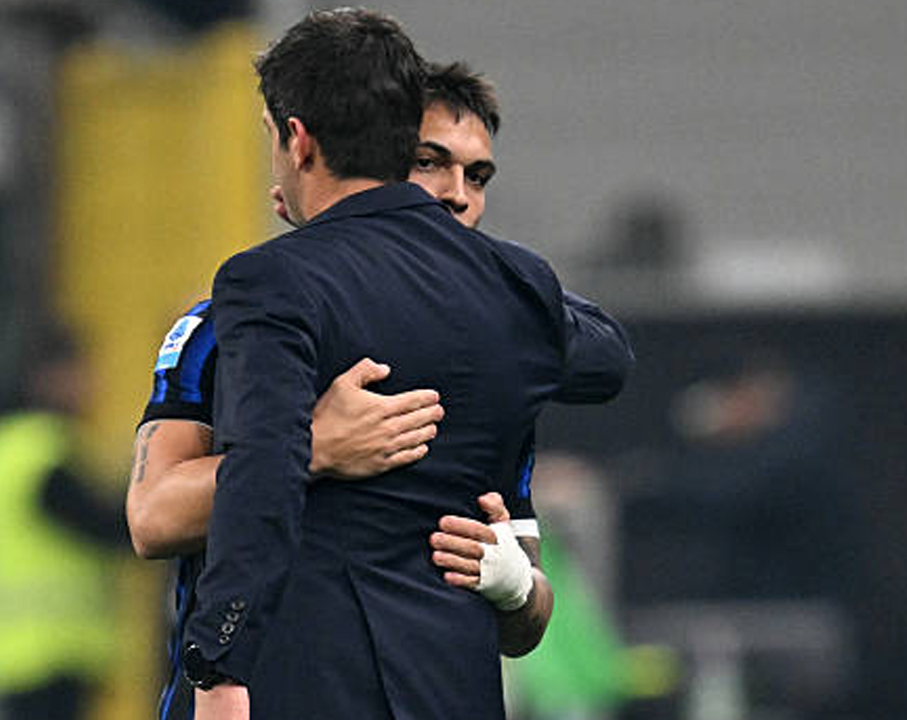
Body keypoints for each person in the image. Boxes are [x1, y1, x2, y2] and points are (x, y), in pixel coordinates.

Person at [181, 9, 631, 720]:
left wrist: (219, 665)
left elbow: (258, 476)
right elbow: (608, 360)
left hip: (314, 682)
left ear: (296, 140)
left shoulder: (265, 283)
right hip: (454, 687)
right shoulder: (513, 289)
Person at [0, 323, 127, 720]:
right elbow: (104, 527)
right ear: (50, 376)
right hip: (49, 653)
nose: (92, 386)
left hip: (7, 651)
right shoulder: (39, 449)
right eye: (82, 373)